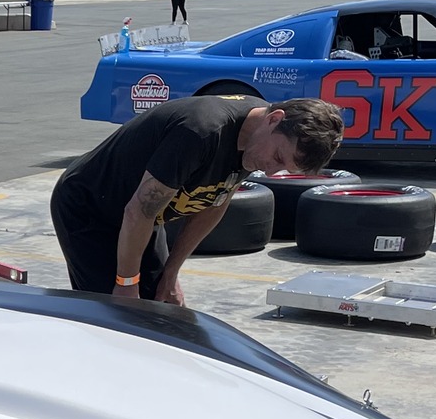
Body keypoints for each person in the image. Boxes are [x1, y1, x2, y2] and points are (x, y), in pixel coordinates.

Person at [50, 96, 344, 304]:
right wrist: (126, 284)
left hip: (143, 217)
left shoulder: (256, 140)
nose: (270, 171)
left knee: (162, 304)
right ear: (274, 119)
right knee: (117, 314)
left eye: (283, 169)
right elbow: (138, 211)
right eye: (278, 157)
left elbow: (216, 200)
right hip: (90, 207)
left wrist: (171, 273)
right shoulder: (201, 132)